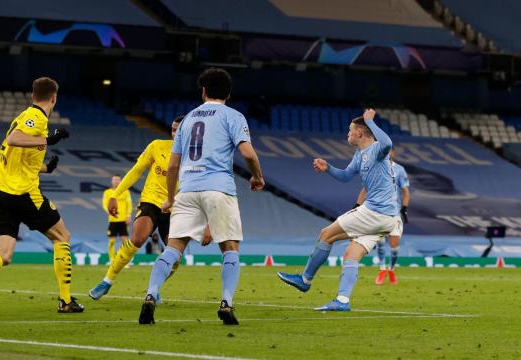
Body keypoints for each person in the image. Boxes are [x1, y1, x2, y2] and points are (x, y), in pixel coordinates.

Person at [138, 68, 265, 325]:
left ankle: (151, 295)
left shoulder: (187, 120)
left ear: (204, 91)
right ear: (228, 93)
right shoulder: (233, 116)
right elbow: (249, 154)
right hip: (219, 189)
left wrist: (172, 199)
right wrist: (257, 177)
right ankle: (226, 304)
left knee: (173, 248)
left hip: (187, 189)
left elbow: (173, 165)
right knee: (230, 248)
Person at [0, 77, 82, 315]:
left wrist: (45, 168)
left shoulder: (21, 117)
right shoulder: (37, 118)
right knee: (62, 236)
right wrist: (48, 139)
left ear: (33, 95)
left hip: (0, 194)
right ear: (54, 98)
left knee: (3, 254)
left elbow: (16, 154)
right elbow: (15, 139)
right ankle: (65, 301)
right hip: (23, 194)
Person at [277, 109, 399, 311]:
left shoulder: (377, 149)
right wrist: (328, 168)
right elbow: (345, 176)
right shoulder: (360, 155)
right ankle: (342, 301)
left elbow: (388, 144)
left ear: (360, 132)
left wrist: (370, 121)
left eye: (350, 130)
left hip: (376, 211)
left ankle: (305, 279)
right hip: (386, 218)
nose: (347, 134)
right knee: (351, 254)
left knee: (326, 234)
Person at [88, 116, 187, 301]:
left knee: (175, 258)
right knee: (137, 238)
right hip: (151, 201)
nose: (175, 134)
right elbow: (136, 171)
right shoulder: (157, 146)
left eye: (179, 130)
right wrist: (115, 195)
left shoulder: (194, 157)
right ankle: (107, 281)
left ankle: (155, 287)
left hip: (176, 208)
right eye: (173, 130)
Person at [355, 148, 410, 285]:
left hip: (394, 212)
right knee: (379, 242)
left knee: (394, 244)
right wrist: (357, 206)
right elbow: (365, 189)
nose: (387, 154)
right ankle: (382, 269)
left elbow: (405, 191)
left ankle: (391, 270)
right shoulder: (375, 168)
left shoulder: (399, 170)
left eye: (390, 151)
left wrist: (404, 209)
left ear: (393, 153)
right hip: (377, 211)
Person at [101, 175, 132, 263]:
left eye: (118, 179)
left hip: (123, 220)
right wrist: (108, 211)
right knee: (112, 242)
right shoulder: (107, 192)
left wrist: (128, 215)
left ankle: (125, 261)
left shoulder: (126, 192)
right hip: (113, 220)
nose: (116, 181)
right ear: (112, 181)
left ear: (121, 181)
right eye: (115, 179)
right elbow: (104, 204)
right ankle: (111, 260)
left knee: (124, 241)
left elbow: (129, 204)